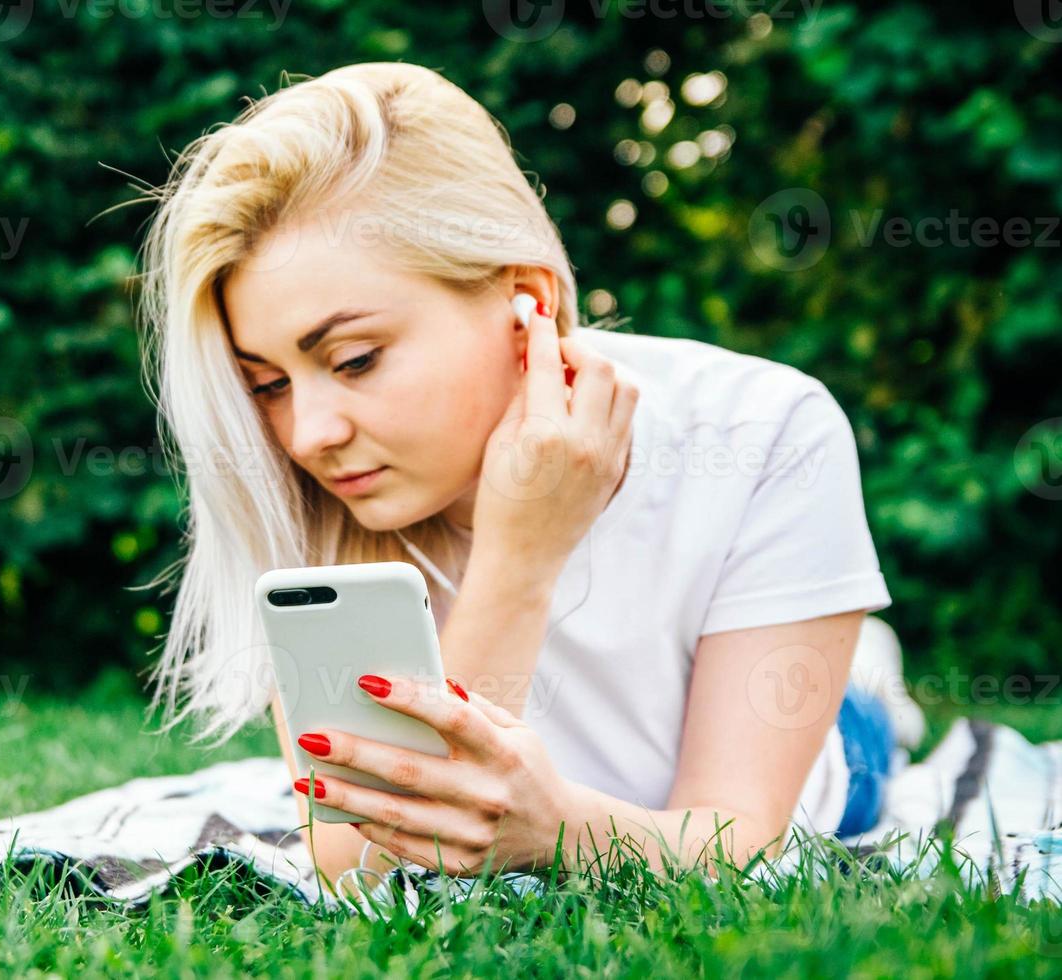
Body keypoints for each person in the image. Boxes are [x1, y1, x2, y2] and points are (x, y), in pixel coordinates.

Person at [133, 61, 926, 895]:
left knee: (857, 729)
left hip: (834, 753)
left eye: (355, 359)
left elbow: (739, 844)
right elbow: (361, 870)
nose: (310, 433)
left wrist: (557, 833)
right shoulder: (299, 486)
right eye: (267, 383)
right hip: (606, 769)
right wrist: (520, 555)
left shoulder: (764, 428)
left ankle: (865, 674)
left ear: (529, 307)